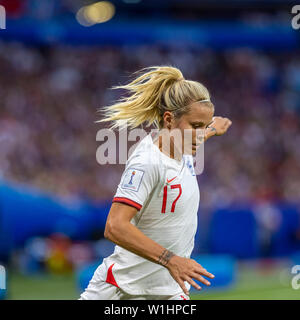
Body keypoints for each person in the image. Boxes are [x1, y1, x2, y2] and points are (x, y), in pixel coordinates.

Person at [79, 66, 232, 300]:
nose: (200, 136)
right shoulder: (147, 163)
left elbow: (196, 134)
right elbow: (114, 226)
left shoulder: (183, 146)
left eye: (204, 125)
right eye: (196, 125)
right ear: (169, 119)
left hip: (170, 292)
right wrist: (171, 260)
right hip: (122, 290)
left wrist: (213, 129)